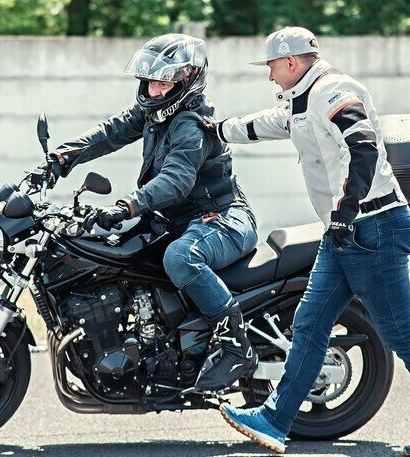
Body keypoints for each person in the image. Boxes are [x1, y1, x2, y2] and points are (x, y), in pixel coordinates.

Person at [207, 27, 410, 456]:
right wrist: (216, 129)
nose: (269, 74)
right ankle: (275, 421)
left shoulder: (334, 90)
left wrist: (345, 211)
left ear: (291, 62)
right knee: (310, 323)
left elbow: (363, 147)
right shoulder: (302, 99)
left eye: (272, 66)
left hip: (372, 228)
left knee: (400, 331)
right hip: (346, 233)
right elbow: (267, 124)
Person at [45, 33, 259, 390]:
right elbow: (110, 132)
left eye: (163, 83)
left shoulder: (192, 123)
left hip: (221, 219)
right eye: (150, 83)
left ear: (188, 79)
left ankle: (237, 345)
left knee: (180, 258)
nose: (154, 91)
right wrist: (63, 157)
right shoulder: (154, 113)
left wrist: (127, 205)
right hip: (176, 221)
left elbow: (176, 180)